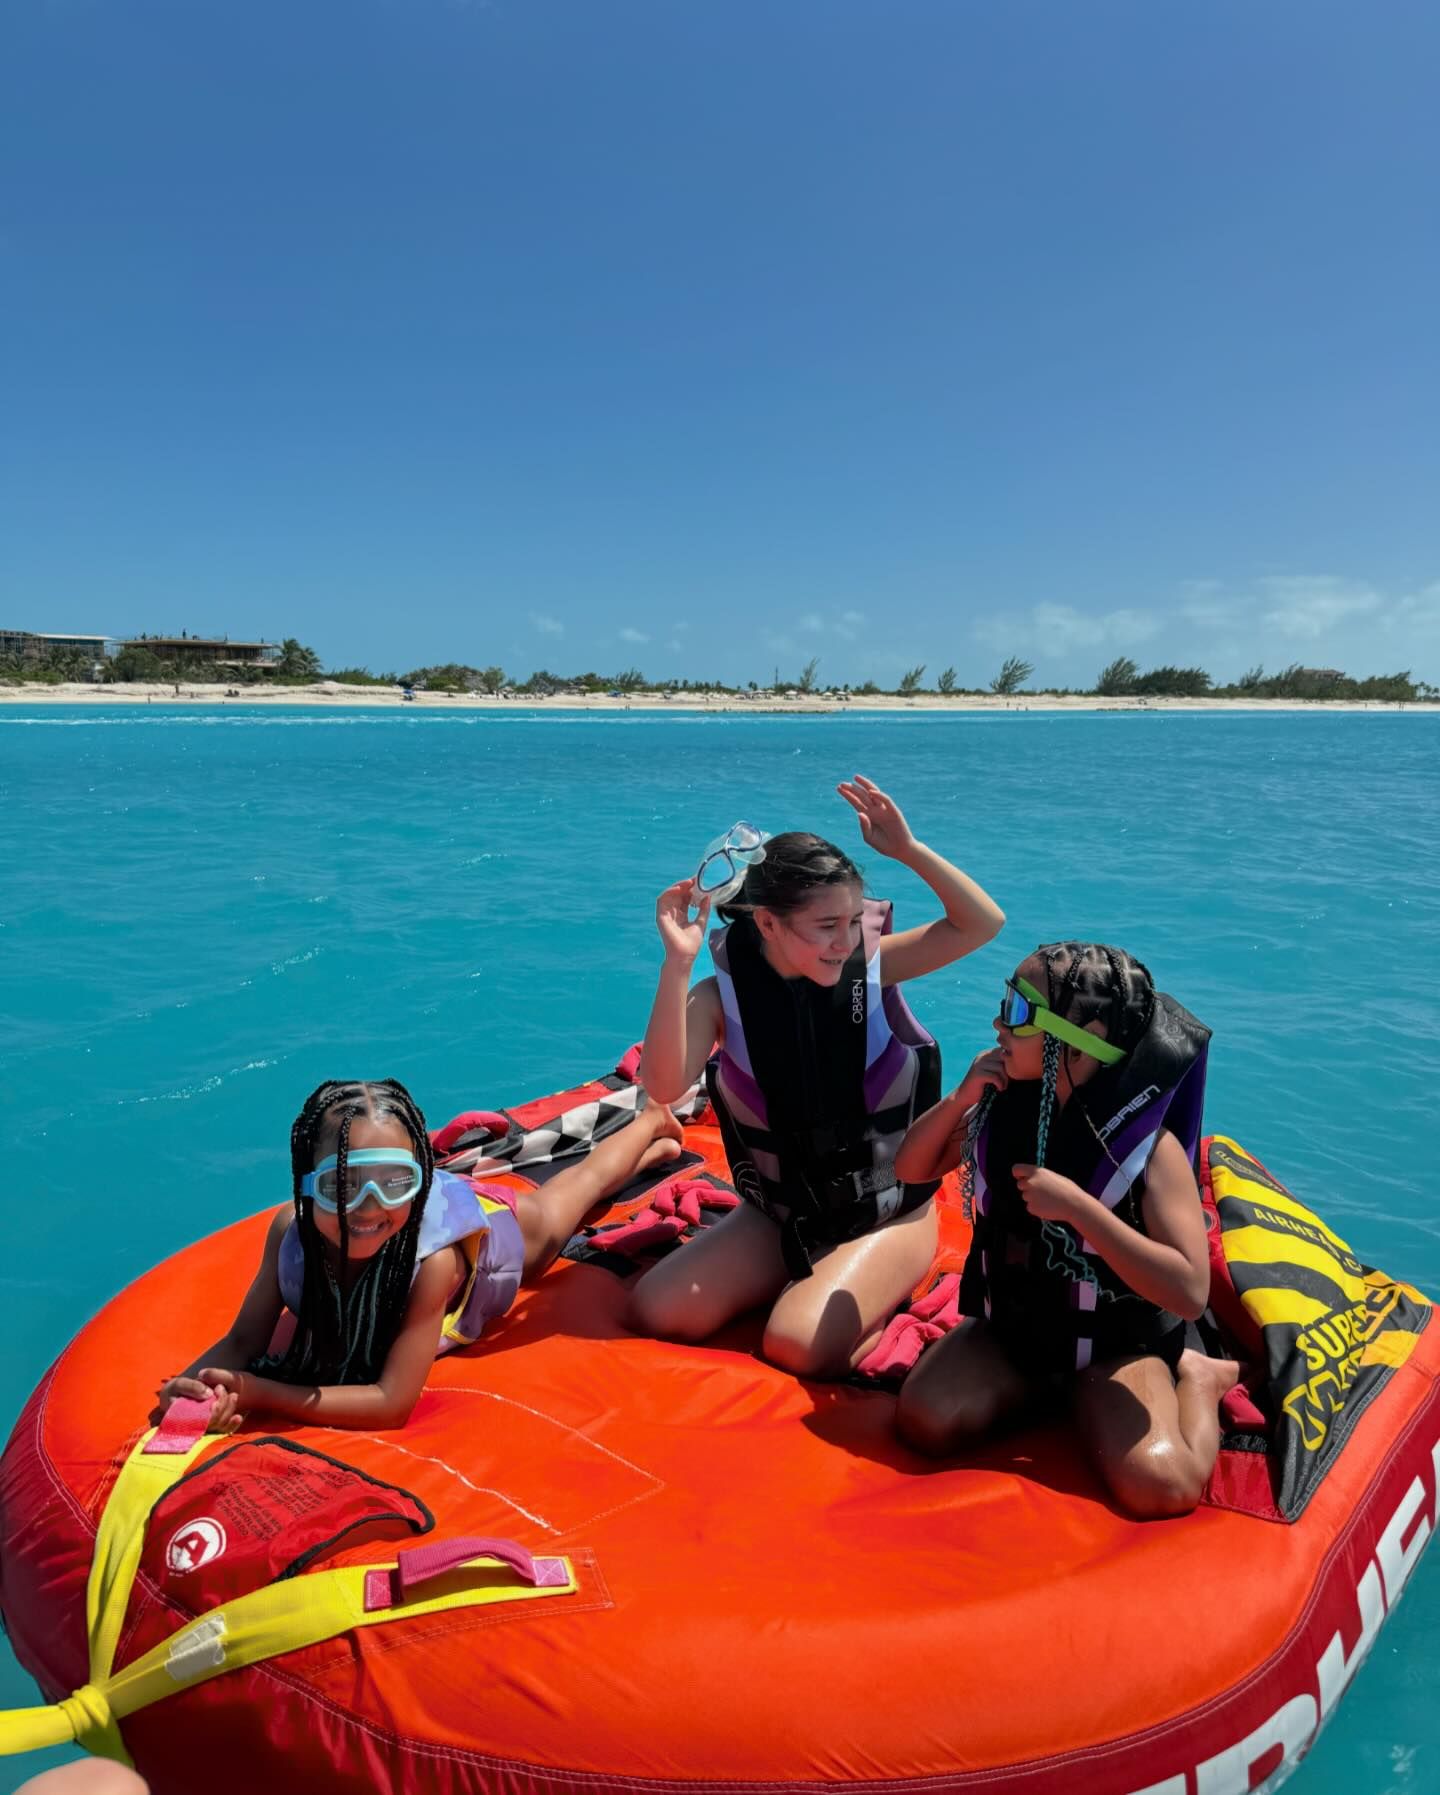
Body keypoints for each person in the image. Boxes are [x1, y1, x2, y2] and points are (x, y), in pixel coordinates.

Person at [630, 776, 1004, 1378]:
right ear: (768, 924)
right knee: (657, 1309)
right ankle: (818, 1280)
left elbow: (981, 924)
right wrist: (678, 961)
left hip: (889, 1210)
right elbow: (664, 1088)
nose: (845, 941)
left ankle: (866, 1294)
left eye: (854, 919)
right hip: (779, 1212)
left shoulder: (872, 968)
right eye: (826, 925)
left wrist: (907, 850)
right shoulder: (721, 996)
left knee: (794, 1343)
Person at [893, 943, 1239, 1519]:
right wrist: (959, 1100)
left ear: (1081, 1036)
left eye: (1021, 1012)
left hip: (1113, 1348)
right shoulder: (998, 1103)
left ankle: (1200, 1379)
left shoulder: (1151, 1150)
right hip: (1015, 1334)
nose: (1000, 1023)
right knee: (923, 1421)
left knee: (1165, 1484)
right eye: (1005, 1000)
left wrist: (1081, 1210)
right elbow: (910, 1169)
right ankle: (1053, 1394)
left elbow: (1189, 1291)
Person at [153, 1077, 681, 1432]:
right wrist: (192, 1386)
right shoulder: (290, 1232)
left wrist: (254, 1392)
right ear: (308, 1185)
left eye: (395, 1184)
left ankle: (650, 1123)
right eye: (344, 1185)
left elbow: (390, 1402)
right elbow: (244, 1339)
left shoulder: (434, 1264)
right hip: (426, 1208)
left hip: (491, 1231)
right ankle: (653, 1146)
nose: (369, 1208)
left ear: (417, 1185)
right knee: (577, 1190)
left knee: (573, 1194)